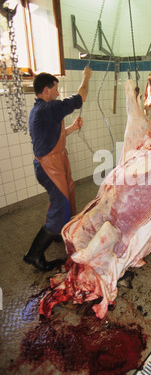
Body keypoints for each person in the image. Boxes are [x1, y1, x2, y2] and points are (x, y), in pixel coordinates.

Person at [23, 66, 92, 271]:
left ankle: (58, 234)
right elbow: (81, 96)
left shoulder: (43, 110)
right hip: (48, 166)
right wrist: (86, 77)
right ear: (45, 90)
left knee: (66, 197)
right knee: (60, 207)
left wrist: (72, 128)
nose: (58, 93)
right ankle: (34, 255)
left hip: (56, 160)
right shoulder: (47, 108)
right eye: (55, 89)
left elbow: (50, 139)